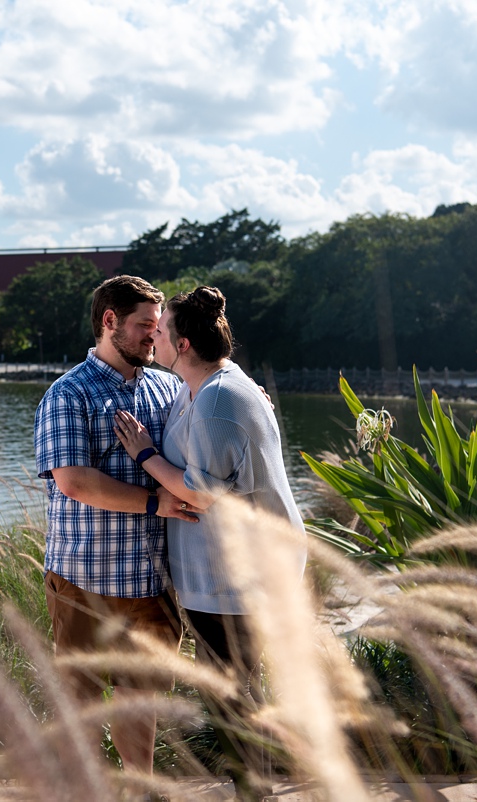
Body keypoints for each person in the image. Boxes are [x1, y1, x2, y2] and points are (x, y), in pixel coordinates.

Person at [113, 286, 304, 798]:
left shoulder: (218, 398)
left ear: (186, 345)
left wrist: (145, 454)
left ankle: (252, 793)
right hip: (217, 577)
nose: (155, 337)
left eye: (163, 331)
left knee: (231, 693)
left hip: (242, 576)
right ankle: (251, 788)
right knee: (231, 688)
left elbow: (200, 494)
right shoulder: (199, 386)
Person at [33, 275, 199, 775]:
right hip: (83, 577)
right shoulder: (69, 394)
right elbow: (75, 482)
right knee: (82, 694)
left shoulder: (169, 387)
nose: (155, 335)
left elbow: (211, 419)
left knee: (138, 693)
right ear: (110, 322)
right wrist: (155, 503)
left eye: (158, 325)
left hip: (152, 578)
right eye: (145, 325)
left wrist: (246, 396)